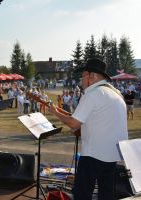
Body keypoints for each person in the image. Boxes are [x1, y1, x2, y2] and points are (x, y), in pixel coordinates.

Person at [49, 59, 128, 200]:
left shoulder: (93, 93)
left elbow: (74, 123)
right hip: (112, 153)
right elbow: (101, 120)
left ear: (92, 76)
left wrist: (55, 113)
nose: (81, 80)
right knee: (106, 192)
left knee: (82, 193)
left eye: (83, 76)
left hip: (94, 153)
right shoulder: (116, 93)